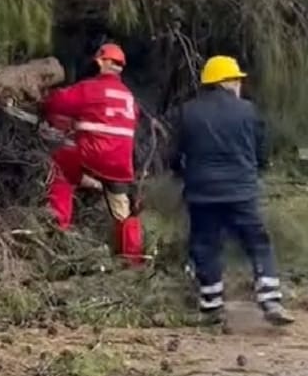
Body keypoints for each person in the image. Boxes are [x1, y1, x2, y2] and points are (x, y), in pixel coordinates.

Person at [169, 56, 292, 326]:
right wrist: (252, 172)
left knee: (205, 244)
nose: (239, 84)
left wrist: (183, 175)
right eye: (236, 79)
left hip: (201, 192)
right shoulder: (247, 111)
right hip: (241, 191)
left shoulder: (187, 111)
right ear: (226, 82)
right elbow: (260, 153)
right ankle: (270, 298)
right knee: (257, 241)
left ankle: (211, 304)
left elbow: (175, 155)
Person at [42, 43, 144, 261]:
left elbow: (58, 103)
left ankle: (59, 227)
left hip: (93, 155)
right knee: (122, 210)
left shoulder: (90, 88)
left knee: (61, 168)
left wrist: (44, 98)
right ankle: (133, 259)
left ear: (102, 62)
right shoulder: (128, 96)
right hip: (121, 163)